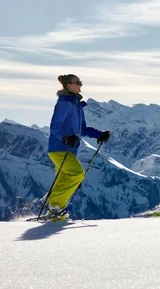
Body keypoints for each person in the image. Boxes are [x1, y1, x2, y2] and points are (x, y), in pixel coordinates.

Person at [45, 74, 110, 220]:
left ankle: (54, 216)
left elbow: (82, 129)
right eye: (78, 83)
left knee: (63, 179)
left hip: (69, 149)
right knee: (77, 174)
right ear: (69, 85)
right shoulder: (64, 103)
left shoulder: (76, 105)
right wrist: (65, 137)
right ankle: (54, 203)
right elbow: (55, 126)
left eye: (81, 82)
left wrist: (99, 135)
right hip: (59, 148)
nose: (81, 85)